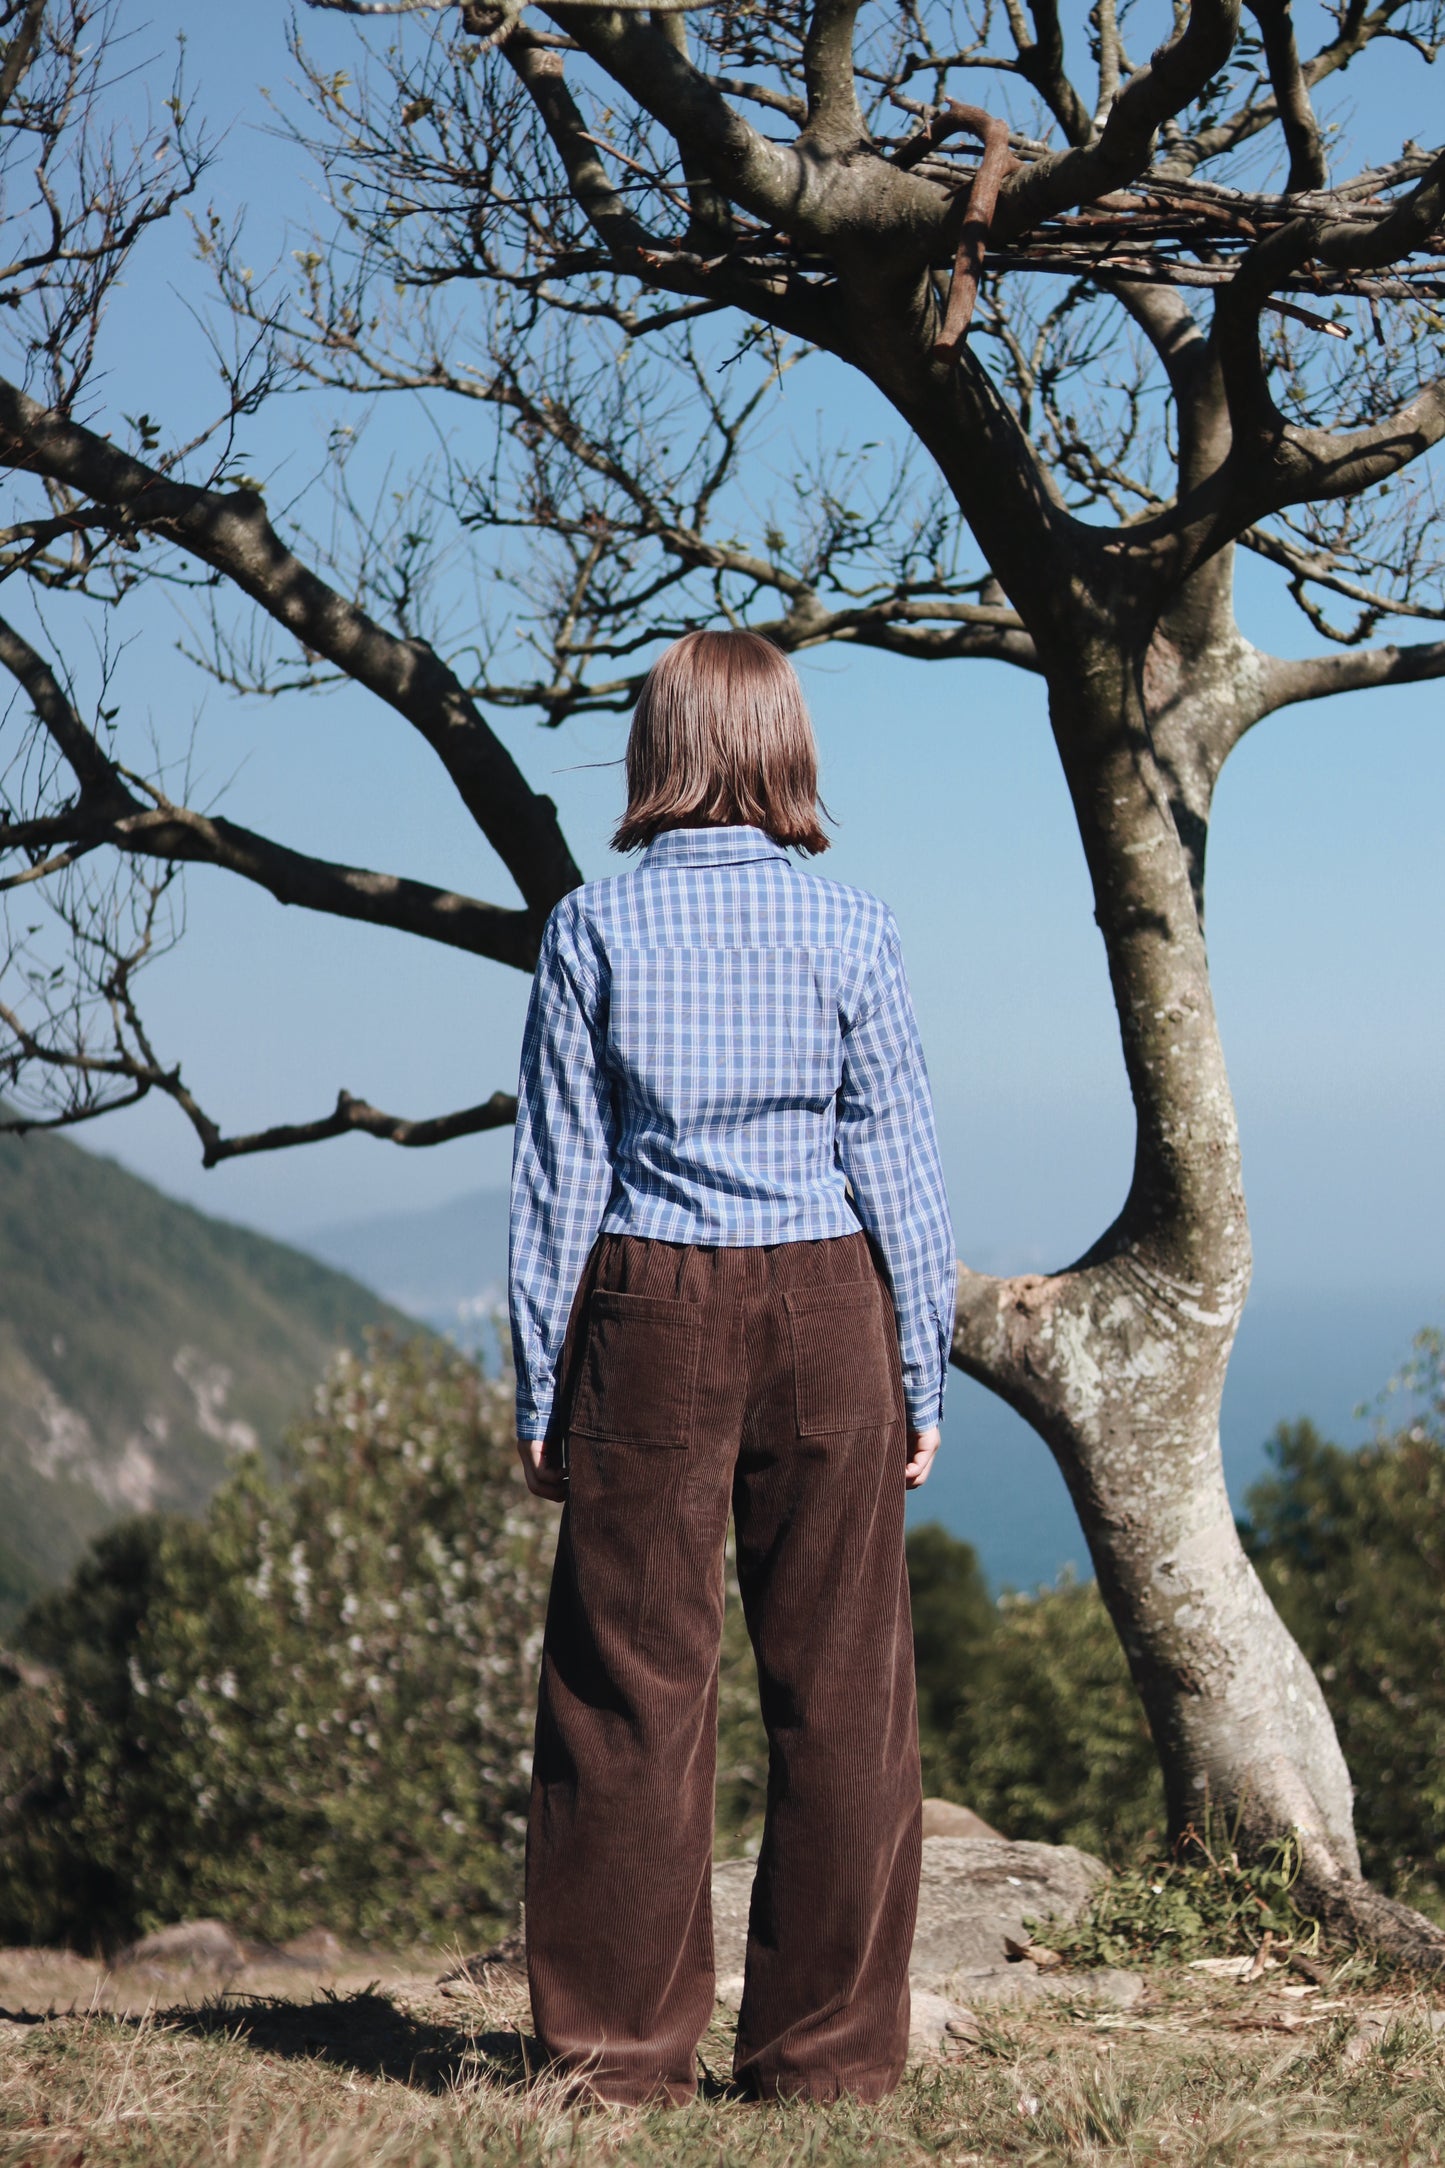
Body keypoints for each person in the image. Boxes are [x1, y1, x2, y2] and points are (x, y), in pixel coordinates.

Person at [508, 628, 955, 2106]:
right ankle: (824, 2062)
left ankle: (616, 2060)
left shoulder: (591, 931)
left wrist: (538, 1384)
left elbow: (559, 1179)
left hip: (648, 1308)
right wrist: (919, 1371)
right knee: (843, 1685)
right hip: (831, 1301)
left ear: (658, 752)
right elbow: (899, 1166)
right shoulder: (856, 928)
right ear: (782, 750)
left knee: (629, 1679)